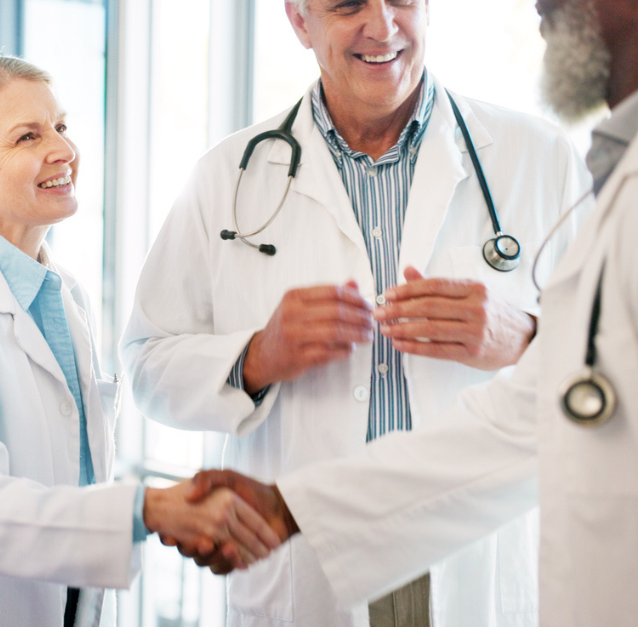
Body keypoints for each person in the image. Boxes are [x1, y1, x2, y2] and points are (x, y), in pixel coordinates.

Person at [120, 0, 592, 625]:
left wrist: (528, 336)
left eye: (401, 1)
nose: (382, 26)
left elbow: (612, 358)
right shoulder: (226, 177)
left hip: (470, 542)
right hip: (311, 544)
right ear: (299, 20)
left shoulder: (539, 157)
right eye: (347, 5)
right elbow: (147, 365)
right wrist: (255, 357)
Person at [0, 57, 282, 627]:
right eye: (28, 136)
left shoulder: (64, 298)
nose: (63, 150)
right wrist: (145, 509)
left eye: (61, 127)